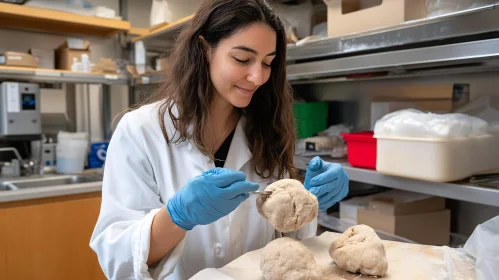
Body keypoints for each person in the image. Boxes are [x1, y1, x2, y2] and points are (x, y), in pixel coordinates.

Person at [90, 0, 349, 279]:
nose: (257, 76)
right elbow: (118, 260)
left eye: (267, 62)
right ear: (204, 49)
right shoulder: (141, 131)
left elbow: (286, 241)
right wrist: (177, 216)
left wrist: (307, 205)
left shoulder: (266, 129)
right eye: (242, 59)